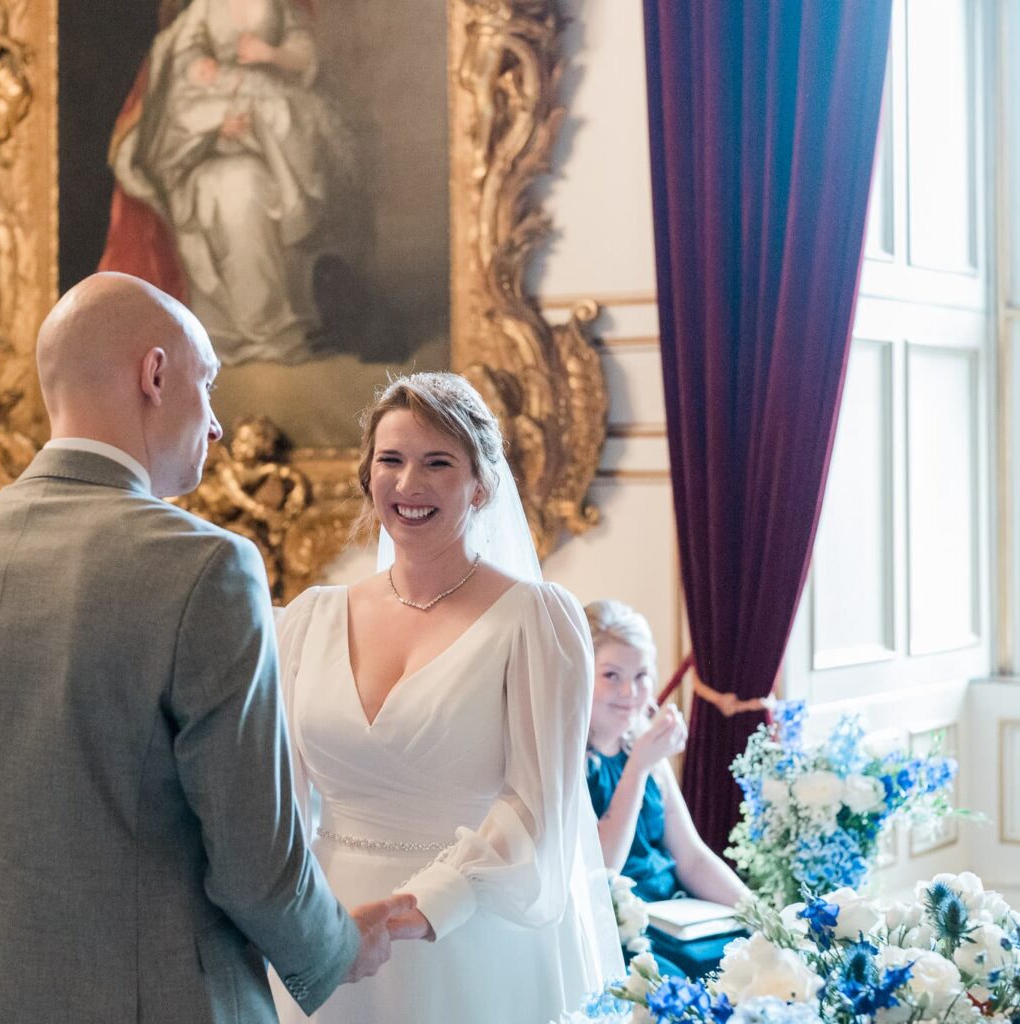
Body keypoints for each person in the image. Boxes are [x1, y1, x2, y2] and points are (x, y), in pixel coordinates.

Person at [0, 272, 412, 1024]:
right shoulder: (205, 567)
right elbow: (254, 862)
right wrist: (334, 948)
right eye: (209, 385)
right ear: (154, 374)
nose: (218, 424)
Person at [270, 373, 623, 1024]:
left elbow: (537, 805)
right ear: (366, 474)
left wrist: (420, 909)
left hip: (469, 935)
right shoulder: (307, 621)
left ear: (481, 483)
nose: (409, 485)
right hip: (327, 934)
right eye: (391, 461)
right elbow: (278, 799)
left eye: (438, 463)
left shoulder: (534, 622)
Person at [102, 0, 358, 365]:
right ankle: (227, 334)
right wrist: (209, 98)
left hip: (268, 105)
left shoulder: (278, 7)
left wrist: (269, 53)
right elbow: (179, 58)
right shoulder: (204, 9)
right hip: (209, 134)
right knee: (227, 190)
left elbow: (305, 55)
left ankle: (274, 327)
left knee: (257, 169)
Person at [583, 599, 751, 979]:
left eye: (642, 675)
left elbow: (690, 856)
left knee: (758, 959)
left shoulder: (644, 747)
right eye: (611, 675)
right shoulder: (570, 761)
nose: (631, 691)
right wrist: (638, 767)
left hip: (677, 914)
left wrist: (758, 913)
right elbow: (602, 868)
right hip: (623, 929)